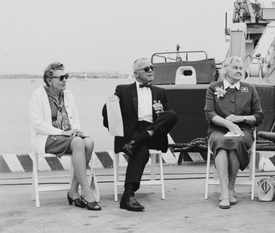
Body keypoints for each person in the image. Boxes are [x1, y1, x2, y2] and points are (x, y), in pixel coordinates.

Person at [102, 58, 178, 212]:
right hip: (132, 132)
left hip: (153, 132)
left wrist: (161, 112)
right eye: (146, 69)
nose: (151, 71)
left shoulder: (160, 92)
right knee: (141, 151)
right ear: (136, 74)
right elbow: (107, 116)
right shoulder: (123, 90)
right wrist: (111, 102)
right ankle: (128, 195)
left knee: (172, 115)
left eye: (152, 68)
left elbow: (167, 119)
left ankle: (136, 142)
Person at [29, 62, 101, 211]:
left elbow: (75, 118)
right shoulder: (37, 95)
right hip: (47, 137)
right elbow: (37, 124)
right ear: (49, 80)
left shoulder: (68, 95)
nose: (64, 80)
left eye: (66, 77)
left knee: (88, 142)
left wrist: (76, 130)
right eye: (61, 77)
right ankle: (86, 192)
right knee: (78, 143)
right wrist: (61, 132)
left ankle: (73, 191)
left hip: (68, 136)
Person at [204, 56, 263, 209]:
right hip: (218, 129)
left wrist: (240, 118)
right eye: (235, 68)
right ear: (225, 70)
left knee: (235, 142)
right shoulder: (213, 87)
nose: (239, 71)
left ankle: (231, 187)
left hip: (243, 130)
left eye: (240, 68)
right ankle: (225, 191)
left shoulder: (250, 89)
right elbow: (209, 113)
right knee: (222, 142)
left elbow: (259, 116)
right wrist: (228, 124)